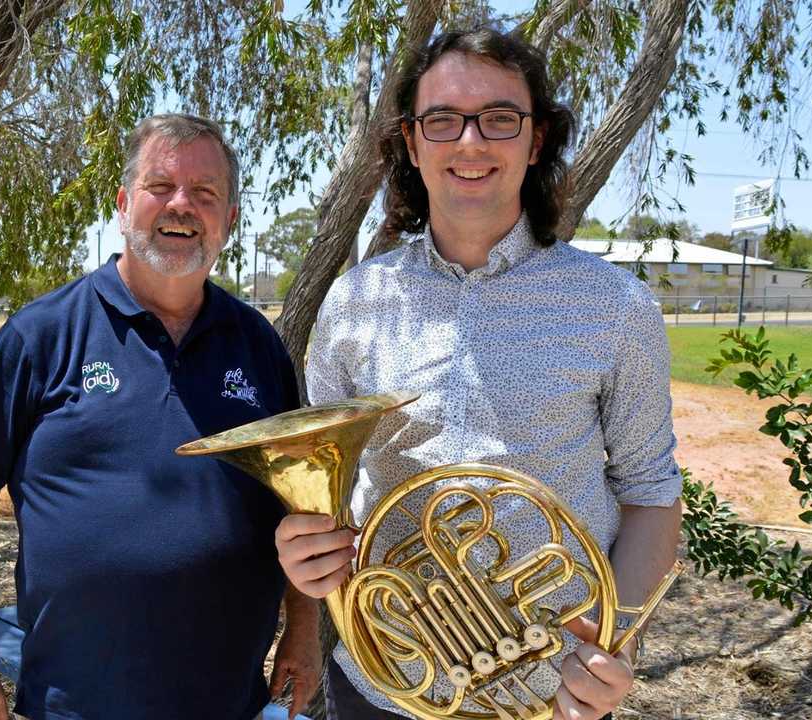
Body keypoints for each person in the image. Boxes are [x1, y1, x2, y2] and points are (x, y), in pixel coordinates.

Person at [274, 29, 683, 720]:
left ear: (536, 139)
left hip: (550, 695)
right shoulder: (353, 303)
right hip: (383, 682)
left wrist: (616, 644)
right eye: (443, 120)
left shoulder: (615, 307)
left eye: (499, 118)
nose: (470, 142)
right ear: (411, 143)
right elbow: (324, 502)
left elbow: (650, 493)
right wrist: (304, 549)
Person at [0, 113, 320, 720]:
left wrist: (303, 629)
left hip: (230, 704)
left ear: (230, 220)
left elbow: (302, 503)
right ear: (123, 203)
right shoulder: (40, 336)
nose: (182, 206)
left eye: (206, 193)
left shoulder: (260, 347)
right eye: (160, 187)